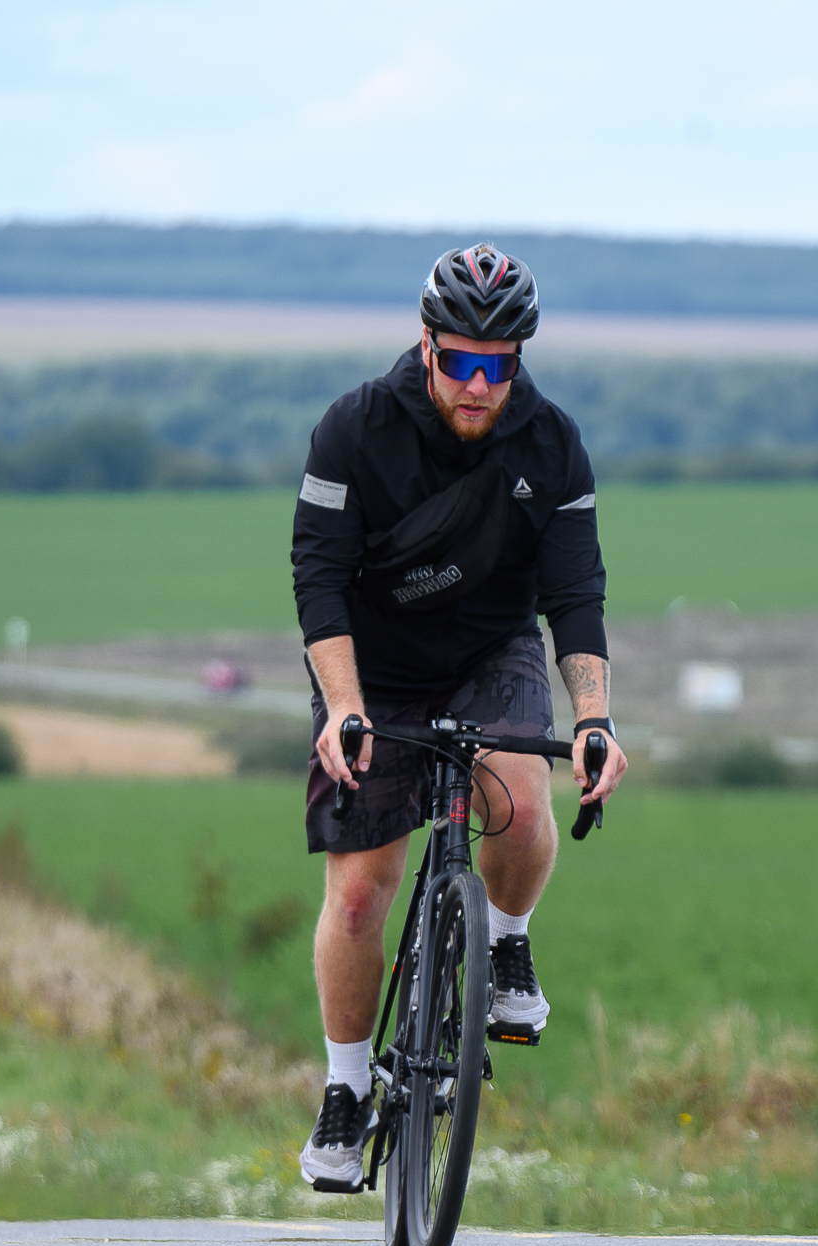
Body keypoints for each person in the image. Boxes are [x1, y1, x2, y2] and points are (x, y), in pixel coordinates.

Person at [291, 244, 628, 1191]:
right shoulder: (353, 428)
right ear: (426, 344)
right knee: (360, 894)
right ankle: (346, 1088)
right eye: (461, 361)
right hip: (371, 667)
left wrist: (595, 719)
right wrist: (344, 706)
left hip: (491, 653)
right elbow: (318, 577)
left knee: (520, 796)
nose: (479, 384)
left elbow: (576, 595)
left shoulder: (552, 444)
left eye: (500, 364)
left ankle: (507, 940)